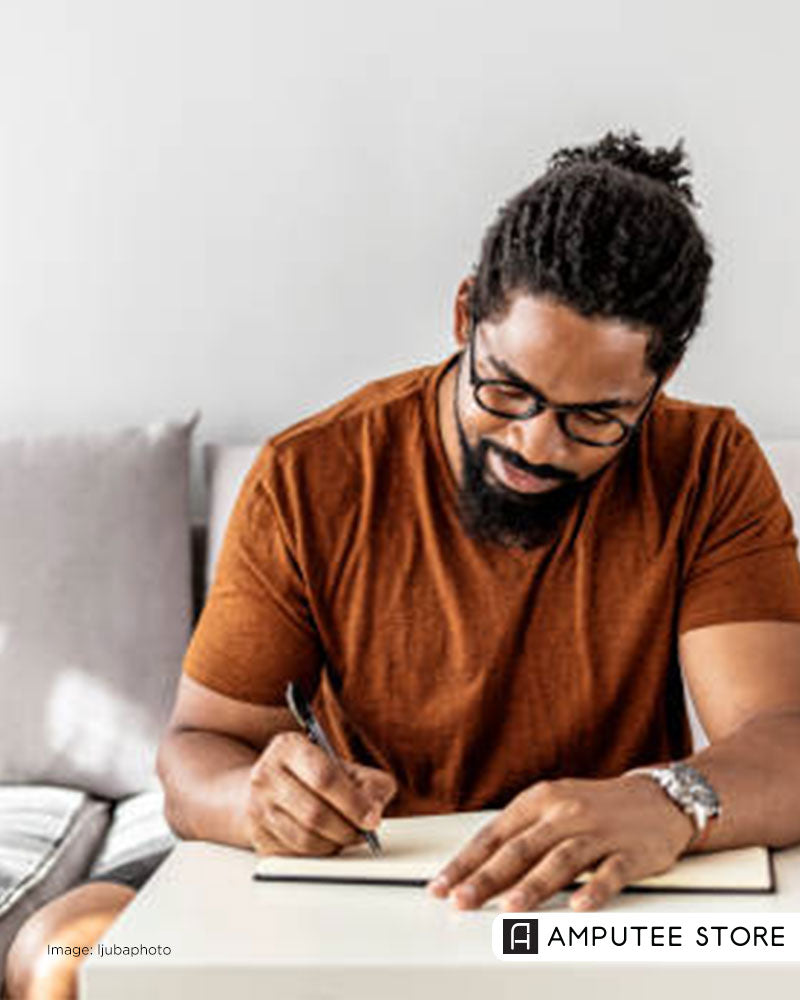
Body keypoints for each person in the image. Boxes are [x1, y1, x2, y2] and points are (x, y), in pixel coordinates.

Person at [7, 130, 800, 996]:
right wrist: (257, 802)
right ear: (465, 315)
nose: (536, 443)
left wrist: (666, 801)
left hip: (593, 913)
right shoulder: (312, 473)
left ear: (661, 379)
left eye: (594, 418)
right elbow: (198, 752)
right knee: (66, 950)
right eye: (508, 388)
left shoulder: (708, 464)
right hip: (357, 893)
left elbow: (783, 744)